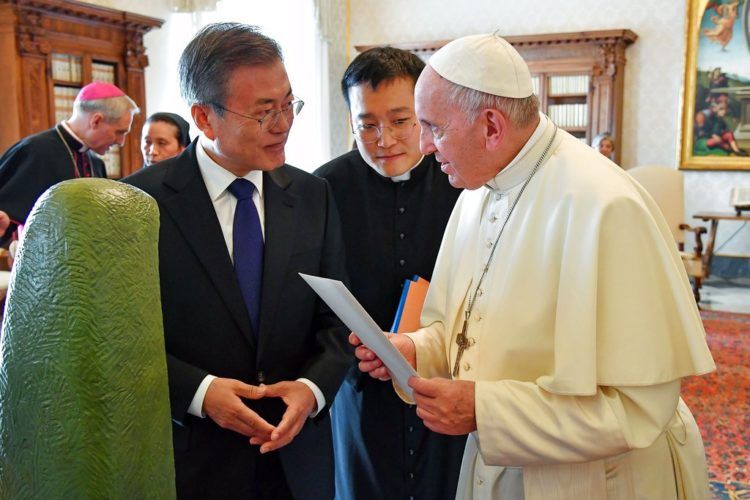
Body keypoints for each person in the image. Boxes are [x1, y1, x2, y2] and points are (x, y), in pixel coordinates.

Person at [353, 34, 716, 499]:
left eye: (434, 128)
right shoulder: (476, 191)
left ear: (491, 126)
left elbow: (638, 409)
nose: (423, 146)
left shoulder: (605, 206)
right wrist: (415, 348)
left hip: (597, 481)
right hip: (499, 468)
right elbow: (464, 330)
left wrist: (486, 410)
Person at [123, 23, 351, 499]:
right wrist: (201, 393)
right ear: (204, 119)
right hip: (190, 462)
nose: (284, 124)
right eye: (264, 112)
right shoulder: (138, 204)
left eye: (288, 104)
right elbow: (118, 340)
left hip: (297, 460)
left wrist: (311, 390)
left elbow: (337, 324)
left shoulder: (313, 195)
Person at [315, 47, 465, 500]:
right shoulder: (322, 189)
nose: (383, 139)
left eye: (400, 121)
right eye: (367, 124)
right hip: (360, 383)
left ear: (424, 114)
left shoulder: (462, 180)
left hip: (446, 379)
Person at [0, 82, 139, 243]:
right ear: (96, 121)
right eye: (119, 132)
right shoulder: (34, 151)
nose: (121, 142)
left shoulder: (96, 163)